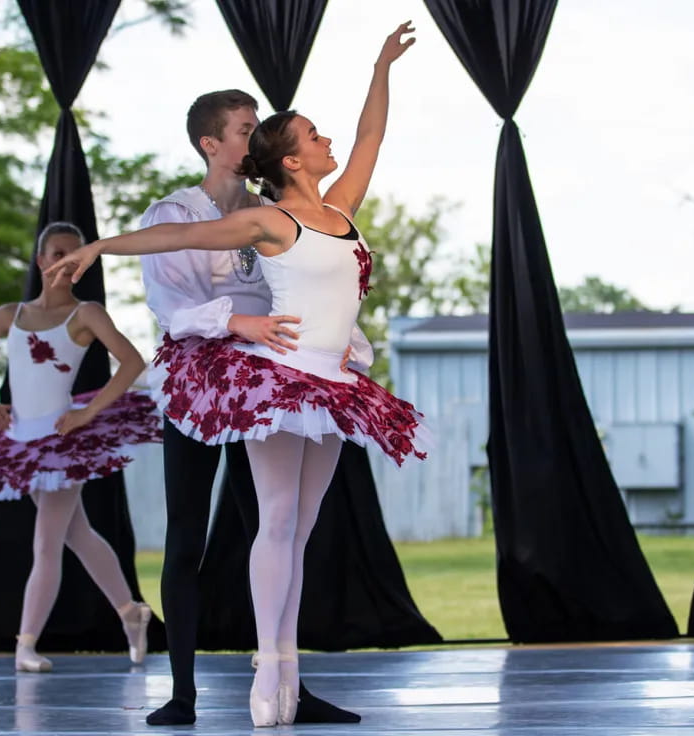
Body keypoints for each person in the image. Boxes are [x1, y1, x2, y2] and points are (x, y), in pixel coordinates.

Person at [48, 22, 422, 726]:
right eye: (305, 132)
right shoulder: (267, 221)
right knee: (267, 522)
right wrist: (98, 244)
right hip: (258, 377)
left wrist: (381, 67)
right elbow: (178, 238)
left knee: (297, 529)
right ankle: (249, 682)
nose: (323, 138)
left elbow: (372, 139)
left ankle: (286, 675)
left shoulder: (332, 208)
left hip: (332, 382)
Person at [137, 89, 366, 726]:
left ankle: (284, 675)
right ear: (212, 144)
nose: (251, 139)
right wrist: (237, 321)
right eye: (242, 130)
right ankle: (182, 690)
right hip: (203, 379)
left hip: (270, 380)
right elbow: (170, 304)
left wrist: (339, 342)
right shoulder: (176, 212)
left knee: (276, 526)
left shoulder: (277, 213)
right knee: (187, 534)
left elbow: (311, 287)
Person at [0, 221, 162, 673]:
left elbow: (132, 361)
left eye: (73, 255)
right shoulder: (11, 314)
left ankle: (25, 644)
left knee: (47, 541)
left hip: (62, 443)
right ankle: (130, 612)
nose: (64, 262)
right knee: (76, 534)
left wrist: (89, 413)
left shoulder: (86, 314)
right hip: (21, 441)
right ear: (41, 260)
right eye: (56, 253)